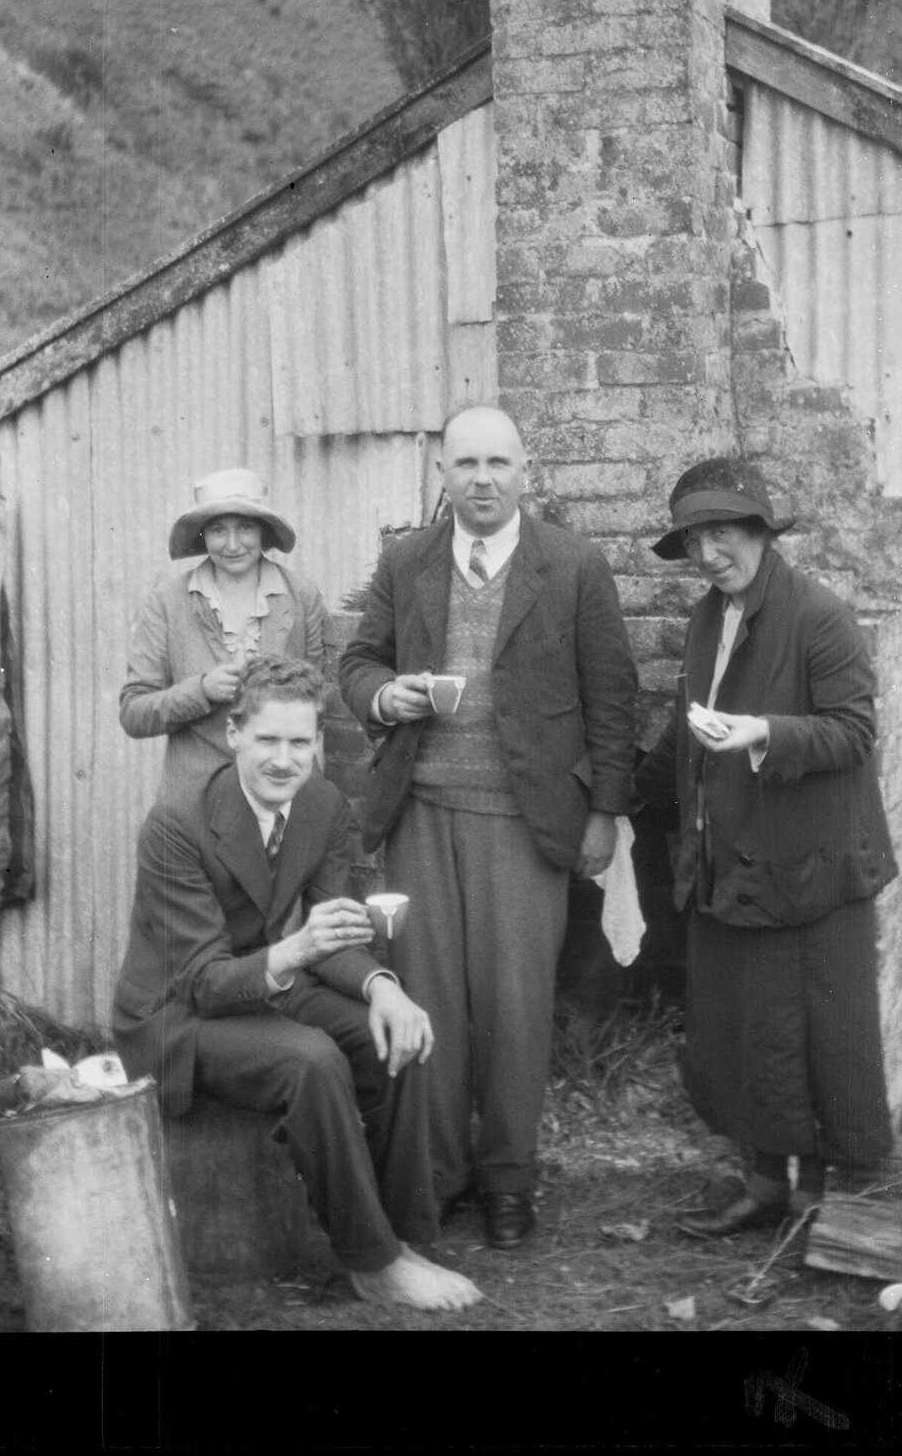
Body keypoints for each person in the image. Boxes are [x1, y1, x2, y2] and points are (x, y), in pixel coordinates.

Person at [339, 404, 638, 1250]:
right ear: (441, 473)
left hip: (524, 820)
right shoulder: (408, 561)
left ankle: (509, 1180)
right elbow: (358, 660)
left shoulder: (573, 566)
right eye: (464, 463)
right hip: (420, 815)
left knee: (514, 1007)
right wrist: (378, 695)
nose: (480, 479)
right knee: (427, 998)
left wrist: (604, 815)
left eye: (497, 464)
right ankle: (437, 1177)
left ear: (524, 473)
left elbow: (612, 697)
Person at [112, 654, 482, 1313]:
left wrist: (381, 988)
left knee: (397, 1031)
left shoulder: (322, 804)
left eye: (300, 743)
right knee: (309, 1061)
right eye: (267, 741)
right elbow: (201, 983)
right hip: (176, 1016)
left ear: (316, 742)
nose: (284, 761)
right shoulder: (176, 825)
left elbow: (331, 931)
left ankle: (399, 1234)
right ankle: (371, 1264)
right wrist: (295, 949)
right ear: (233, 736)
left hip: (263, 980)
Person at [633, 456, 897, 1235]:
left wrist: (762, 735)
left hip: (811, 864)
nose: (709, 552)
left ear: (758, 531)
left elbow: (854, 732)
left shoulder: (818, 615)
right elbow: (685, 732)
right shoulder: (706, 620)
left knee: (810, 1037)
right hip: (730, 861)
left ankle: (815, 1200)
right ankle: (762, 1184)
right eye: (693, 538)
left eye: (722, 532)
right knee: (742, 1030)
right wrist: (614, 797)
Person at [120, 467, 327, 801]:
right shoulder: (168, 602)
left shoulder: (302, 596)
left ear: (263, 532)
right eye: (218, 530)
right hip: (196, 800)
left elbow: (319, 699)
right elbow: (134, 714)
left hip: (285, 795)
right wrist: (201, 691)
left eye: (245, 527)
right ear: (202, 536)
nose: (232, 545)